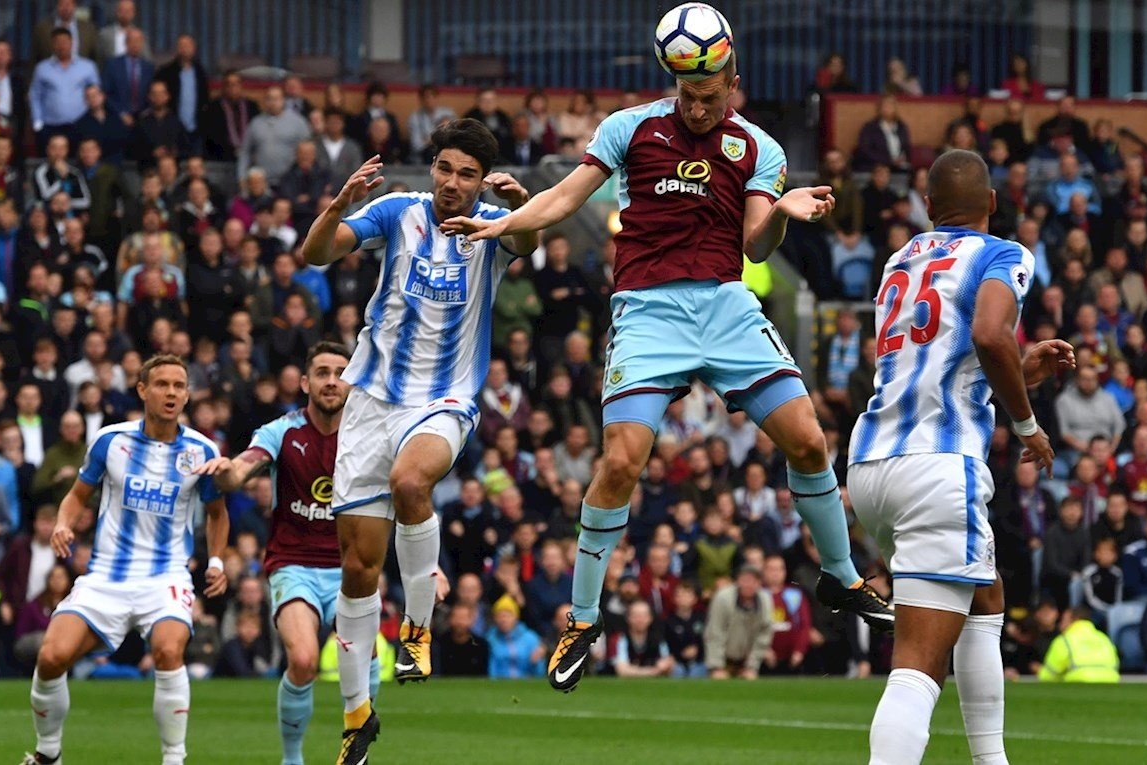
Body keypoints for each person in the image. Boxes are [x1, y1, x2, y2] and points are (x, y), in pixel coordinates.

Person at [442, 46, 896, 696]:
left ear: (733, 84)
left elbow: (755, 242)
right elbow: (568, 196)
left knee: (809, 438)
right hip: (648, 311)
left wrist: (785, 216)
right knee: (622, 460)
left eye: (711, 93)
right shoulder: (630, 129)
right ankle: (583, 618)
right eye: (688, 92)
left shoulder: (758, 148)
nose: (699, 105)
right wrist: (507, 224)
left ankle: (841, 575)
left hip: (725, 305)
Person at [298, 120, 538, 764]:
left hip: (445, 397)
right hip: (371, 400)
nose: (452, 184)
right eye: (444, 168)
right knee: (356, 570)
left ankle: (417, 627)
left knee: (412, 483)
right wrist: (338, 205)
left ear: (482, 179)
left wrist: (518, 210)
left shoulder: (493, 225)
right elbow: (315, 254)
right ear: (432, 167)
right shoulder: (397, 211)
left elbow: (534, 240)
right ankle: (356, 716)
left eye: (466, 174)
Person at [846, 149, 1074, 765]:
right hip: (937, 464)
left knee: (986, 592)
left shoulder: (902, 258)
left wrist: (1020, 374)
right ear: (993, 204)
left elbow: (940, 361)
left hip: (871, 462)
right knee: (920, 661)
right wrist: (1028, 426)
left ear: (927, 207)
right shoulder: (1004, 254)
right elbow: (990, 334)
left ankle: (991, 760)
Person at [21, 355, 228, 765]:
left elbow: (218, 513)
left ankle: (174, 758)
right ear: (142, 390)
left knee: (170, 651)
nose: (171, 393)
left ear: (187, 394)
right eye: (162, 384)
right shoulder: (111, 441)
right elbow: (77, 495)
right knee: (50, 657)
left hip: (166, 576)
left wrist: (217, 561)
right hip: (106, 578)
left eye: (179, 386)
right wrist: (63, 523)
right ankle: (48, 755)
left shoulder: (202, 449)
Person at [193, 343, 379, 765]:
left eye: (340, 372)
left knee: (365, 659)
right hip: (294, 565)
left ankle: (358, 749)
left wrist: (430, 571)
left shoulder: (369, 434)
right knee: (302, 659)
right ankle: (292, 758)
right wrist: (229, 471)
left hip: (353, 567)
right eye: (322, 372)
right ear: (305, 383)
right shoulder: (283, 431)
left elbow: (404, 498)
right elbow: (246, 464)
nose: (332, 381)